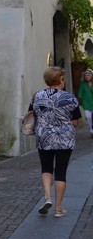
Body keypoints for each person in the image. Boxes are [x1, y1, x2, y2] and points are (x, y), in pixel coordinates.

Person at [29, 66, 81, 219]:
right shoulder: (69, 98)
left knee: (46, 168)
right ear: (61, 80)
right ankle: (58, 209)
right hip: (64, 139)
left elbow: (32, 115)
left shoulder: (37, 96)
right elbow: (76, 121)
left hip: (44, 137)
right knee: (61, 170)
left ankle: (47, 198)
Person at [77, 68, 93, 138]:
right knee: (88, 116)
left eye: (88, 75)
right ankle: (91, 129)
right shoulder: (82, 84)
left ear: (92, 76)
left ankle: (92, 132)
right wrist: (79, 100)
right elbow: (80, 93)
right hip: (86, 103)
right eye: (85, 75)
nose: (87, 76)